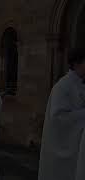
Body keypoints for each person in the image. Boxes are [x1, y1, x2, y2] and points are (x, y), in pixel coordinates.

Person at [38, 49, 85, 180]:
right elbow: (58, 118)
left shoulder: (80, 85)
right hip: (62, 153)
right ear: (77, 63)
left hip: (77, 147)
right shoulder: (62, 86)